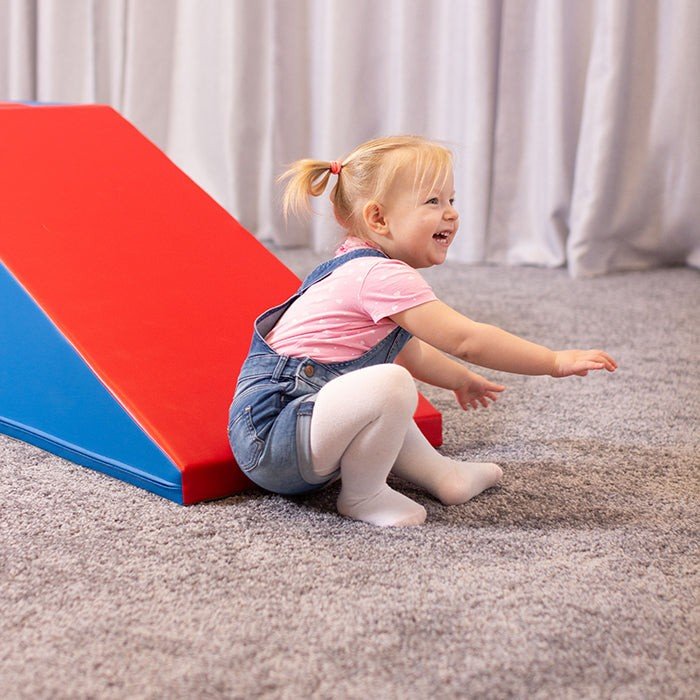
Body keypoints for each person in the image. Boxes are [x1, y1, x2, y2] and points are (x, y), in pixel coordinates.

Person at [228, 135, 617, 527]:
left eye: (451, 200)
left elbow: (407, 351)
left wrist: (459, 380)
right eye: (433, 202)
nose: (450, 214)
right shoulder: (377, 275)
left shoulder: (356, 264)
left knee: (383, 383)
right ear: (379, 219)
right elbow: (468, 339)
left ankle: (441, 474)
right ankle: (363, 495)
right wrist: (552, 361)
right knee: (391, 385)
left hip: (299, 434)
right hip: (272, 437)